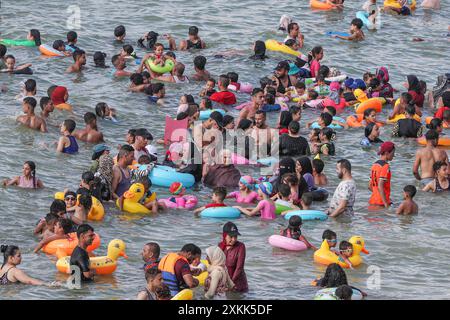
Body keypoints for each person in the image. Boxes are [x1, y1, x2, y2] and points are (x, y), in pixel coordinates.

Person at [218, 222, 248, 292]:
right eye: (231, 237)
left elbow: (239, 267)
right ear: (224, 235)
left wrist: (230, 283)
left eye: (235, 237)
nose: (234, 239)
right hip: (224, 284)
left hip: (237, 285)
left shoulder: (240, 246)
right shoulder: (220, 246)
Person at [369, 142, 395, 208]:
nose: (394, 155)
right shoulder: (385, 166)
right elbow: (380, 186)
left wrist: (377, 194)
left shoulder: (374, 165)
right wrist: (386, 203)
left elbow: (369, 186)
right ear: (386, 153)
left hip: (372, 201)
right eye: (393, 153)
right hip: (381, 203)